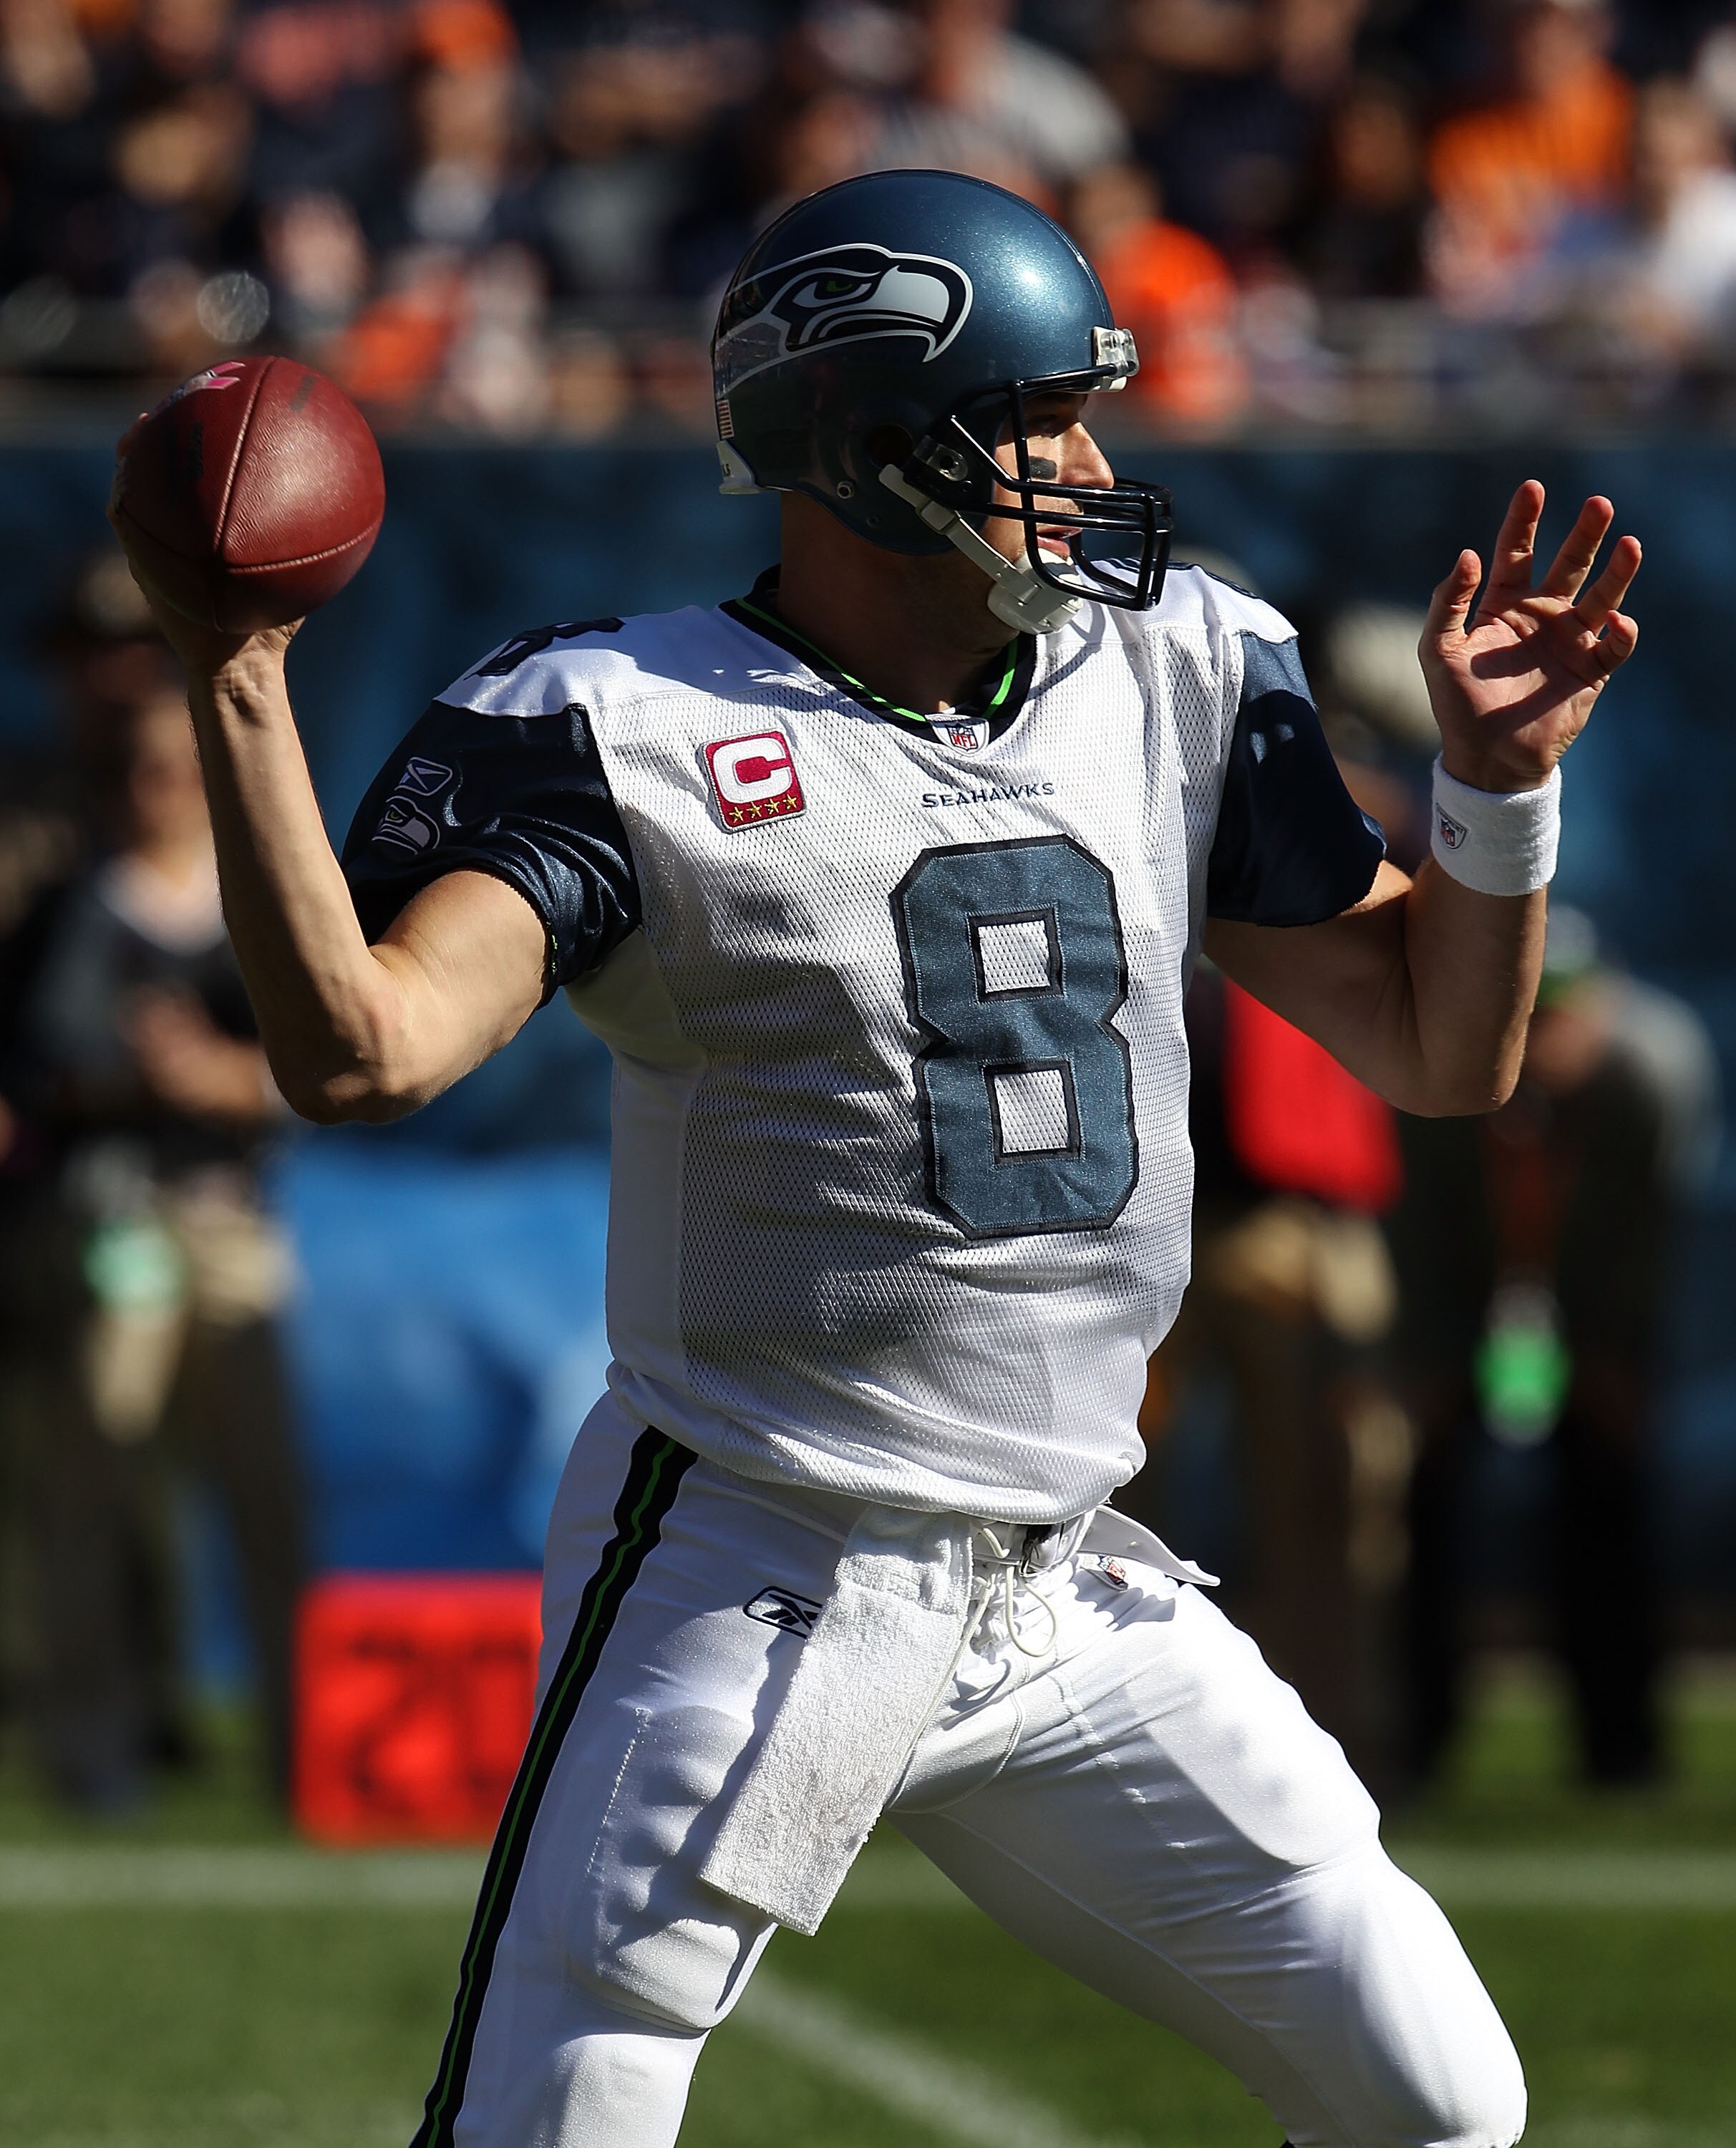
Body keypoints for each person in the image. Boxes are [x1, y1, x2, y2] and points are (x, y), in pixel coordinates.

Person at [108, 168, 1639, 2148]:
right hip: (755, 1560)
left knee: (1447, 2098)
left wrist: (1497, 794)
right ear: (872, 448)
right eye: (1037, 418)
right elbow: (364, 1051)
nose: (1090, 458)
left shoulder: (1175, 662)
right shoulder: (620, 722)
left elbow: (1442, 1045)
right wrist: (237, 689)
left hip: (1069, 1581)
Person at [4, 677, 304, 1809]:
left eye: (174, 771)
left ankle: (307, 1759)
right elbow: (49, 1057)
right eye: (132, 771)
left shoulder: (261, 901)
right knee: (95, 1484)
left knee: (270, 1500)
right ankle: (93, 1758)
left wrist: (221, 1078)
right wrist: (139, 1074)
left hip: (236, 1231)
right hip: (114, 1224)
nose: (152, 794)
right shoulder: (79, 905)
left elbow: (322, 1060)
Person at [1387, 906, 1716, 1789]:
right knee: (1426, 1510)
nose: (1542, 1038)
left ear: (1602, 1005)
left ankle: (1621, 1749)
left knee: (1607, 1512)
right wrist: (1429, 1356)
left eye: (1560, 1015)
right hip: (1472, 1306)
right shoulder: (1446, 1077)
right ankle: (1416, 1740)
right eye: (1524, 1013)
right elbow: (1418, 1227)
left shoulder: (1652, 1076)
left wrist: (1618, 1355)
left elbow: (1657, 1237)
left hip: (1593, 1315)